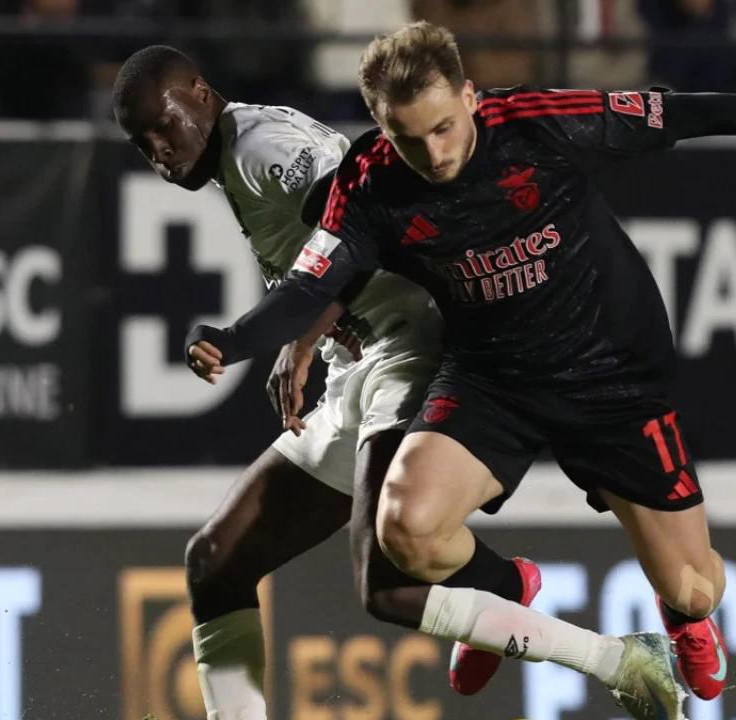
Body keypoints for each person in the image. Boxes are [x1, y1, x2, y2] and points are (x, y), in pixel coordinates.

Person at [183, 21, 736, 716]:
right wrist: (234, 338)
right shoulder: (371, 183)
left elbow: (697, 112)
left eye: (446, 126)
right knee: (405, 534)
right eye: (411, 140)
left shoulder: (542, 121)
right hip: (492, 377)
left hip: (610, 377)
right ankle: (507, 600)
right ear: (383, 130)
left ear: (471, 97)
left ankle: (679, 618)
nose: (436, 154)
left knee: (696, 589)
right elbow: (313, 282)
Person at [111, 45, 541, 720]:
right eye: (144, 144)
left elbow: (368, 227)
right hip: (358, 368)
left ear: (199, 91)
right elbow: (335, 242)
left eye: (164, 126)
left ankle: (525, 599)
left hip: (409, 348)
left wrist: (295, 335)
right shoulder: (237, 151)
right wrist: (309, 338)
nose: (161, 151)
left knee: (390, 579)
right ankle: (499, 590)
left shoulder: (261, 149)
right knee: (216, 562)